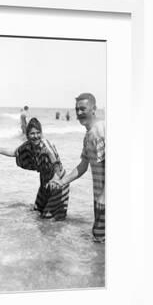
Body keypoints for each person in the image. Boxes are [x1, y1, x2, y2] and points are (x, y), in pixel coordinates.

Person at [0, 118, 69, 220]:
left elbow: (56, 163)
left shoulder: (46, 145)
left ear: (41, 133)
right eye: (32, 133)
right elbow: (14, 152)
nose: (36, 136)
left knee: (50, 218)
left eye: (38, 133)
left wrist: (56, 180)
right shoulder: (28, 146)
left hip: (58, 180)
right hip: (44, 181)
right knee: (37, 211)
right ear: (27, 135)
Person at [51, 93, 105, 242]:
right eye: (77, 109)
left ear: (94, 109)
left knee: (101, 239)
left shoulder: (101, 130)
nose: (79, 113)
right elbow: (82, 166)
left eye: (83, 108)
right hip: (100, 198)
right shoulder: (88, 135)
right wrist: (62, 182)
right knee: (99, 239)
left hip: (105, 199)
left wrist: (104, 196)